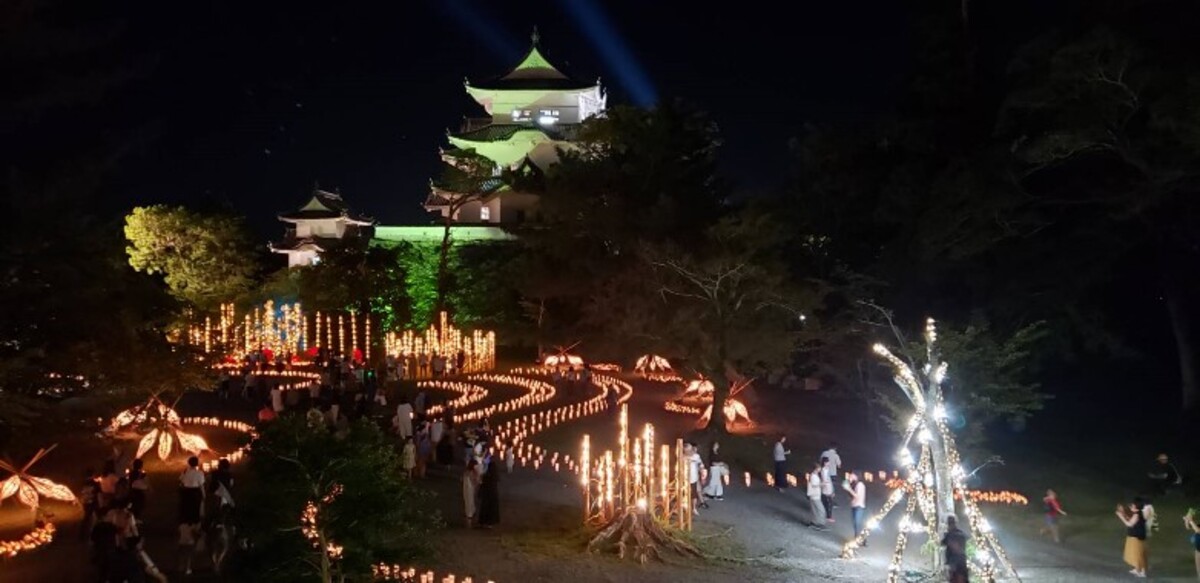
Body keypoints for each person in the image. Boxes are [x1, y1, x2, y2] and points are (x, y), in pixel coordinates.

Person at [1116, 499, 1148, 578]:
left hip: (1136, 537)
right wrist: (1123, 513)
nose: (1131, 506)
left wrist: (1121, 517)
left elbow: (1129, 524)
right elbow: (1130, 519)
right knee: (1138, 554)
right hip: (1138, 537)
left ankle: (1139, 571)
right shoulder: (1138, 514)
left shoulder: (1137, 515)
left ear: (1137, 508)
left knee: (1137, 554)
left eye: (1133, 506)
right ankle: (1140, 570)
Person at [179, 456, 206, 528]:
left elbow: (181, 481)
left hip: (186, 492)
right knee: (195, 508)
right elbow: (201, 485)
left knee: (187, 508)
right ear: (197, 464)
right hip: (195, 493)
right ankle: (195, 525)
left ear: (189, 463)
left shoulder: (185, 472)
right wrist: (204, 494)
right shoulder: (200, 473)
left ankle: (187, 524)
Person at [941, 516, 969, 583]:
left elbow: (943, 543)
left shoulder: (953, 535)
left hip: (957, 563)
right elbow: (943, 543)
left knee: (958, 578)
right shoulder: (958, 534)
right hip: (957, 562)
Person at [478, 457, 501, 528]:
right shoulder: (495, 477)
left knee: (485, 509)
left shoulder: (486, 476)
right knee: (492, 509)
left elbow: (482, 484)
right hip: (493, 495)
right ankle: (490, 523)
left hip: (486, 496)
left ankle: (484, 522)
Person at [843, 471, 866, 541]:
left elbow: (857, 496)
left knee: (857, 523)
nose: (850, 476)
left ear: (856, 476)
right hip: (855, 506)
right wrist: (848, 485)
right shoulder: (855, 484)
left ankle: (861, 540)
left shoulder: (860, 485)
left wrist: (849, 489)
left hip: (859, 506)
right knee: (856, 523)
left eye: (852, 475)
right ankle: (860, 539)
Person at [79, 467, 100, 541]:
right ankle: (93, 534)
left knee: (87, 518)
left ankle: (83, 534)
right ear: (93, 474)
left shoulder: (83, 483)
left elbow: (82, 492)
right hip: (92, 502)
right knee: (95, 517)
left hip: (85, 502)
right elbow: (98, 492)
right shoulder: (94, 483)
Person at [806, 462, 828, 530]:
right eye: (819, 468)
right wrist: (822, 484)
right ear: (816, 469)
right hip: (815, 496)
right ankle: (820, 523)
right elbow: (814, 485)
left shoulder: (814, 475)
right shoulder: (813, 476)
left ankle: (814, 522)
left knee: (816, 510)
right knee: (821, 510)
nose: (820, 469)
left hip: (815, 495)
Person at [687, 442, 708, 511]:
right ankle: (701, 502)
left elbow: (700, 465)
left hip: (694, 476)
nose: (695, 450)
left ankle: (701, 503)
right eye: (694, 448)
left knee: (697, 489)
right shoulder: (684, 456)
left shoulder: (696, 456)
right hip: (686, 477)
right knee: (694, 490)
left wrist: (702, 474)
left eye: (696, 449)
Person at [821, 443, 842, 507]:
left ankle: (823, 501)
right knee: (831, 488)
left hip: (824, 472)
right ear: (835, 448)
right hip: (832, 474)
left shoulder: (824, 453)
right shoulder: (836, 455)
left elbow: (820, 461)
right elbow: (839, 465)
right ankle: (830, 502)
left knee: (824, 487)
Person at [463, 459, 480, 527]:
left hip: (466, 491)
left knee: (468, 504)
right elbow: (475, 481)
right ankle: (469, 523)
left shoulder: (466, 472)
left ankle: (469, 522)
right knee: (470, 505)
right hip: (470, 491)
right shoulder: (472, 473)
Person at [1183, 509, 1200, 580]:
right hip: (1198, 544)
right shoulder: (1195, 510)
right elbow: (1187, 527)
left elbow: (1198, 531)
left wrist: (1190, 521)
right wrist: (1187, 520)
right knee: (1198, 563)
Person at [820, 456, 835, 524]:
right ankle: (828, 517)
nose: (829, 463)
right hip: (826, 488)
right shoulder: (823, 470)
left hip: (828, 487)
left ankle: (827, 516)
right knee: (829, 503)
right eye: (827, 462)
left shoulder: (827, 469)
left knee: (827, 503)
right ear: (824, 463)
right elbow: (825, 480)